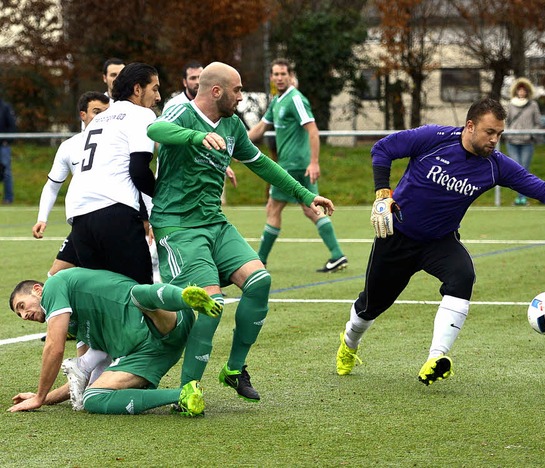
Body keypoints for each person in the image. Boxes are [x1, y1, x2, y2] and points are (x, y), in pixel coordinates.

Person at [335, 98, 545, 386]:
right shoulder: (433, 138)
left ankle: (436, 357)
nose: (495, 140)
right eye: (489, 132)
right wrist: (383, 192)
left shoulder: (496, 166)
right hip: (398, 237)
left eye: (499, 134)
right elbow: (382, 149)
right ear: (470, 126)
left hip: (440, 241)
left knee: (463, 276)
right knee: (371, 306)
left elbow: (543, 189)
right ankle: (349, 343)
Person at [147, 61, 335, 402]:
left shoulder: (233, 125)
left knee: (260, 281)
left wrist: (306, 194)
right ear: (217, 91)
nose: (242, 96)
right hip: (178, 226)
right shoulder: (181, 110)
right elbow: (155, 132)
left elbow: (262, 164)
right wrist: (198, 137)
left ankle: (234, 369)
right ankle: (187, 391)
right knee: (211, 303)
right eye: (237, 90)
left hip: (214, 223)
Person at [8, 267, 221, 415]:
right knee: (93, 397)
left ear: (37, 290)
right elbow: (82, 378)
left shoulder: (54, 286)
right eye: (20, 314)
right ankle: (183, 395)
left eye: (22, 306)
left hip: (164, 318)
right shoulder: (74, 324)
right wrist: (43, 398)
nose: (24, 315)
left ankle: (186, 298)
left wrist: (39, 397)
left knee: (138, 295)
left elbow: (54, 347)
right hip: (150, 355)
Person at [65, 62, 160, 285]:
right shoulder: (141, 114)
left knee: (103, 296)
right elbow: (138, 170)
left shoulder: (99, 118)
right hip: (113, 213)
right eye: (154, 88)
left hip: (79, 217)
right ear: (138, 89)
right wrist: (164, 197)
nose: (158, 97)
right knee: (139, 293)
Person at [248, 58, 347, 272]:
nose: (279, 78)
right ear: (271, 77)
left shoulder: (296, 99)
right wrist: (240, 144)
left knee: (273, 208)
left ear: (290, 76)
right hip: (292, 164)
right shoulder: (277, 101)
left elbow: (313, 130)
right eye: (276, 74)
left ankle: (259, 261)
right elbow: (260, 128)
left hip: (292, 166)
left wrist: (314, 162)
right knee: (310, 209)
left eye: (283, 74)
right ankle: (337, 254)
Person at [32, 91, 110, 275]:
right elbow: (52, 186)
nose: (102, 118)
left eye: (106, 113)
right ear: (83, 115)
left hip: (113, 217)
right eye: (97, 112)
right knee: (55, 275)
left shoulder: (119, 142)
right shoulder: (70, 146)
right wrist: (42, 218)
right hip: (83, 220)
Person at [163, 60, 237, 199]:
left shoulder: (215, 105)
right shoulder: (175, 105)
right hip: (180, 178)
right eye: (192, 78)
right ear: (184, 82)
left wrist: (224, 162)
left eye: (200, 77)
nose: (197, 81)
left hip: (209, 172)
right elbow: (165, 136)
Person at [505, 77, 541, 206]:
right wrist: (509, 133)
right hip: (512, 141)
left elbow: (537, 122)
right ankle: (519, 197)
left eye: (523, 90)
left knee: (524, 170)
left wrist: (531, 133)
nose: (521, 92)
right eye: (519, 90)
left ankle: (523, 197)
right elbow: (506, 121)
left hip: (527, 142)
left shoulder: (533, 105)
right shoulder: (510, 104)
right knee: (516, 168)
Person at [0, 95, 17, 204]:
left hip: (3, 145)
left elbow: (12, 125)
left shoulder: (5, 107)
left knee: (6, 172)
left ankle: (8, 198)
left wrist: (7, 141)